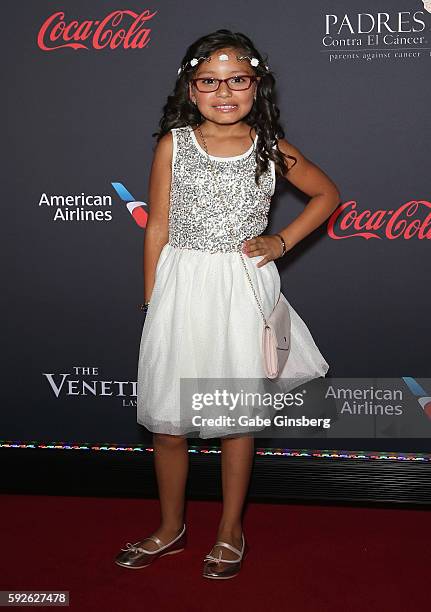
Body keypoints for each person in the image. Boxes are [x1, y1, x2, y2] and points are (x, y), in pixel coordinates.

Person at [115, 29, 340, 579]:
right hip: (180, 286)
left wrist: (281, 241)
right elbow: (157, 228)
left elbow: (327, 194)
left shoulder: (270, 148)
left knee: (235, 418)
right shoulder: (173, 144)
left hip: (240, 289)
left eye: (236, 80)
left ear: (255, 84)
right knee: (168, 424)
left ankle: (229, 528)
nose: (223, 92)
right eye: (209, 82)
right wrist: (152, 304)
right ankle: (171, 527)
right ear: (191, 89)